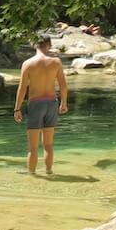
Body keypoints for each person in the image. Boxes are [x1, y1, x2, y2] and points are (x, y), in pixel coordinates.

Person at [13, 34, 69, 175]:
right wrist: (64, 103)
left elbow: (22, 88)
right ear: (49, 45)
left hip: (36, 104)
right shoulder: (56, 62)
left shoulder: (28, 64)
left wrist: (17, 108)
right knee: (48, 145)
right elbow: (63, 85)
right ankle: (49, 172)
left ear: (34, 45)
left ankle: (32, 176)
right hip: (51, 103)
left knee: (33, 147)